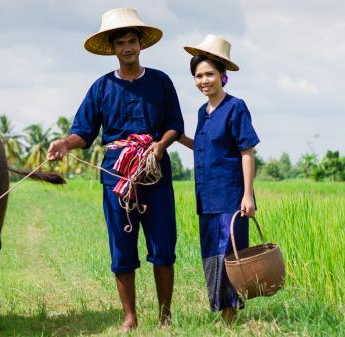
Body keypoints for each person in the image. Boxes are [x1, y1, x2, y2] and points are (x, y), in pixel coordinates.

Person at [47, 8, 184, 331]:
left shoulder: (161, 82)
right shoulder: (101, 88)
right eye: (120, 42)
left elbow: (175, 125)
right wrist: (65, 144)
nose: (127, 47)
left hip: (155, 172)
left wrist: (160, 145)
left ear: (141, 45)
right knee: (122, 248)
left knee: (163, 246)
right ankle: (130, 317)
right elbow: (84, 130)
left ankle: (165, 316)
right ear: (112, 49)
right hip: (117, 176)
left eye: (132, 41)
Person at [178, 34, 260, 324]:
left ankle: (231, 314)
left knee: (230, 252)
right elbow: (204, 147)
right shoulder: (203, 112)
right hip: (206, 198)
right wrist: (178, 137)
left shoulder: (235, 107)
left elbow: (246, 151)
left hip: (230, 197)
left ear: (223, 76)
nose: (204, 80)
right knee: (212, 254)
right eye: (198, 76)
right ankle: (223, 311)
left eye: (210, 74)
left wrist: (248, 195)